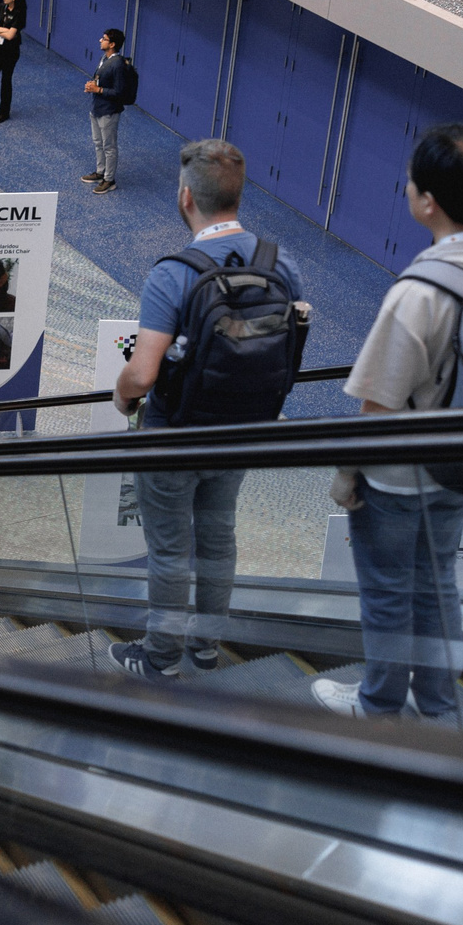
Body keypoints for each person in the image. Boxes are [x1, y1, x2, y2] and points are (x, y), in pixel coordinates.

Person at [316, 126, 463, 721]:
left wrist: (346, 476)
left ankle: (379, 707)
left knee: (388, 595)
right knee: (438, 582)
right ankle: (438, 705)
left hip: (401, 474)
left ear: (427, 202)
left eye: (414, 179)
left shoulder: (417, 294)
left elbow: (378, 408)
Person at [109, 141, 307, 681]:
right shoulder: (279, 262)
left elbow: (143, 372)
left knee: (171, 549)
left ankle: (161, 656)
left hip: (175, 434)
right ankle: (205, 647)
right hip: (242, 430)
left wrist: (122, 396)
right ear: (238, 195)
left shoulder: (174, 273)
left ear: (185, 197)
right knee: (219, 538)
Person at [83, 27, 131, 195]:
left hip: (108, 112)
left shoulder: (117, 64)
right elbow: (100, 79)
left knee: (109, 146)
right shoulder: (105, 57)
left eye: (103, 39)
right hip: (97, 108)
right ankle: (100, 171)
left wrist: (99, 90)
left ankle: (109, 179)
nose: (100, 40)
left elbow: (119, 92)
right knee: (98, 143)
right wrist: (92, 86)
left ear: (112, 44)